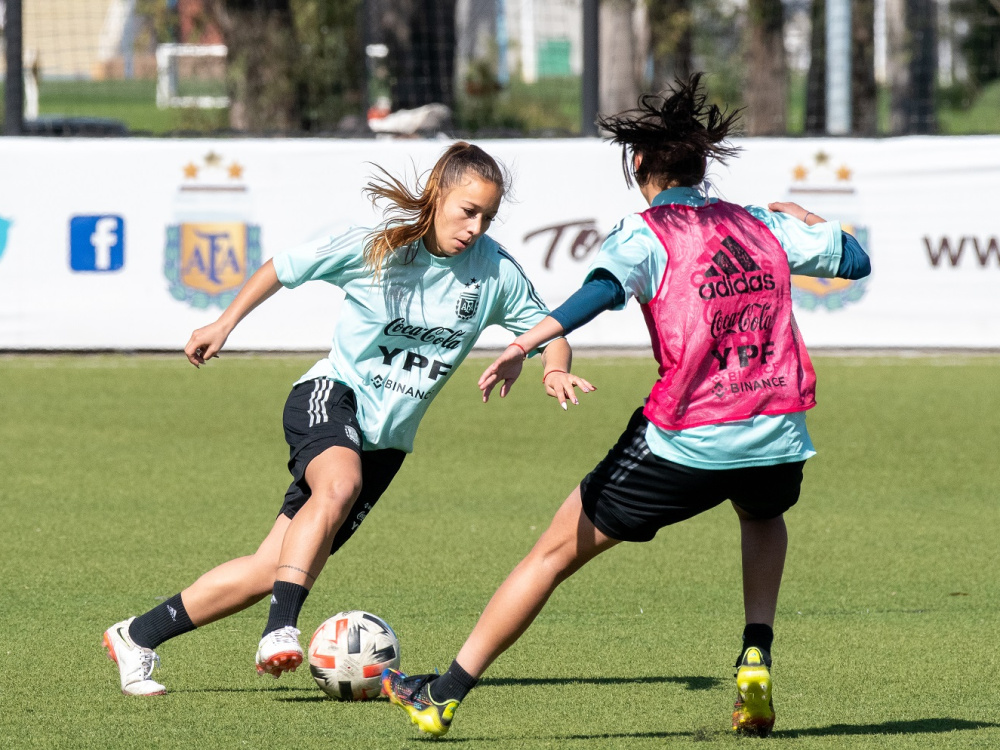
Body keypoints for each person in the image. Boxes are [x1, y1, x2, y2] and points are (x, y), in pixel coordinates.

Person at [382, 75, 871, 738]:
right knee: (761, 514)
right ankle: (755, 654)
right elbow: (858, 260)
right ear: (703, 164)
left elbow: (601, 293)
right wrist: (812, 222)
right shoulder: (762, 223)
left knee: (551, 554)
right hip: (779, 433)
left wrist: (528, 342)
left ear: (639, 163)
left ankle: (441, 695)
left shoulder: (646, 234)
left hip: (688, 439)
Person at [102, 141, 590, 696]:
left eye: (487, 216)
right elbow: (283, 268)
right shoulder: (375, 248)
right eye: (467, 211)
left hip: (387, 444)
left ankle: (136, 636)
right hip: (331, 396)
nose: (476, 227)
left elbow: (551, 328)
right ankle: (279, 630)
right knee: (339, 483)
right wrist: (223, 323)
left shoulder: (493, 272)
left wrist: (551, 367)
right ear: (436, 197)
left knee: (272, 568)